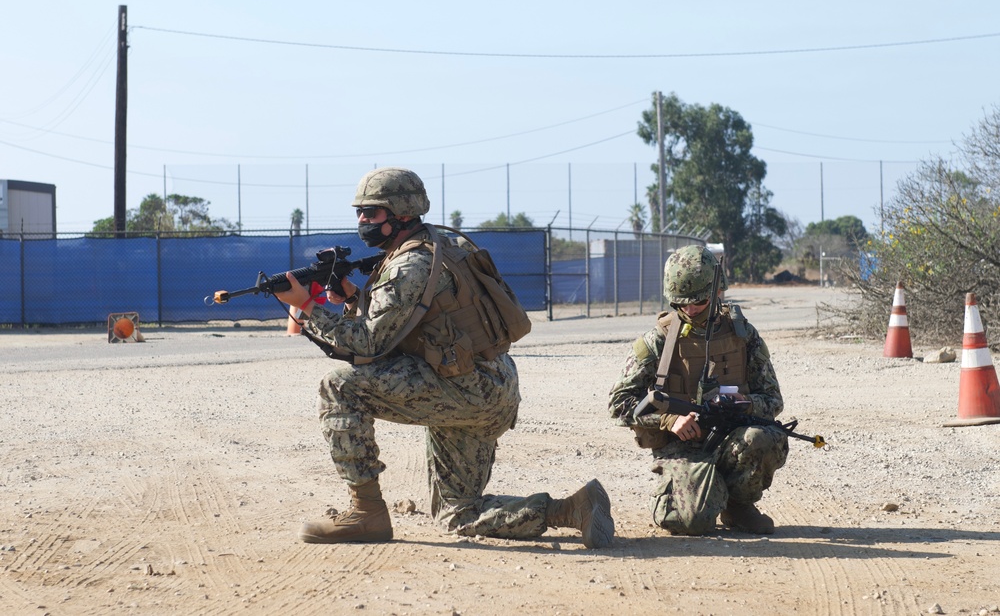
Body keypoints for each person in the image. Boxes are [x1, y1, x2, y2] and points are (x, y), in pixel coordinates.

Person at [274, 166, 614, 548]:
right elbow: (422, 322)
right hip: (487, 381)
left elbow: (368, 343)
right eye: (360, 212)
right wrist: (355, 297)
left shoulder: (410, 264)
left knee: (339, 388)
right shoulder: (443, 246)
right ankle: (573, 509)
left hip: (464, 387)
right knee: (458, 513)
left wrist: (305, 306)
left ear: (401, 212)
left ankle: (366, 513)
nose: (362, 221)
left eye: (372, 212)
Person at [608, 245, 788, 536]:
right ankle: (698, 493)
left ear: (718, 291)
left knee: (763, 439)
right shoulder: (658, 341)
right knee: (692, 524)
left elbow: (773, 399)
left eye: (699, 302)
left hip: (731, 438)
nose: (690, 310)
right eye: (681, 303)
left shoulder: (743, 334)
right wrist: (670, 421)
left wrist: (746, 403)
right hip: (680, 446)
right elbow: (619, 403)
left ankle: (739, 506)